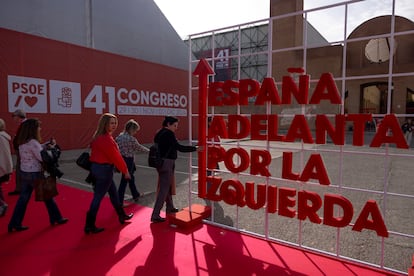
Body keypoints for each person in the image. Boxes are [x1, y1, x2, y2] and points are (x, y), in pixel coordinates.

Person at [8, 118, 68, 232]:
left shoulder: (22, 141)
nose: (40, 129)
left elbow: (37, 149)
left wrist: (45, 145)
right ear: (33, 129)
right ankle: (57, 218)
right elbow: (42, 157)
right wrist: (53, 149)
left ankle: (14, 223)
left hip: (24, 173)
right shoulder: (33, 143)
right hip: (35, 173)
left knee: (23, 200)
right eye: (38, 127)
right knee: (48, 197)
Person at [84, 113, 133, 234]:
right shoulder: (106, 139)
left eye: (115, 122)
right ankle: (89, 225)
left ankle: (122, 215)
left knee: (114, 194)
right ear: (105, 124)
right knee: (98, 197)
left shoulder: (98, 136)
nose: (114, 125)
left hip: (97, 169)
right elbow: (117, 157)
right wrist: (125, 171)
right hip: (104, 171)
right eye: (111, 123)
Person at [151, 116, 198, 223]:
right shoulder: (169, 134)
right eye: (175, 125)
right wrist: (195, 148)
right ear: (168, 124)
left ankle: (170, 207)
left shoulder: (159, 133)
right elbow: (180, 147)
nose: (176, 128)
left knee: (167, 186)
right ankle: (155, 214)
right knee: (164, 188)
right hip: (167, 163)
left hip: (160, 162)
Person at [116, 119, 149, 205]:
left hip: (121, 159)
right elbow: (139, 148)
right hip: (129, 160)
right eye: (135, 130)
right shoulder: (131, 139)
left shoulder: (119, 137)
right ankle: (119, 200)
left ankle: (135, 194)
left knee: (130, 178)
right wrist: (150, 151)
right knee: (125, 180)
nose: (135, 132)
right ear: (131, 129)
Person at [9, 109, 26, 195]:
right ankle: (20, 187)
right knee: (20, 168)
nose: (13, 118)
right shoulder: (22, 124)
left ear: (19, 116)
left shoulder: (25, 125)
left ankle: (20, 188)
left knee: (21, 168)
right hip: (20, 150)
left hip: (22, 150)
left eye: (14, 116)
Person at [0, 119, 13, 217]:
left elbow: (3, 156)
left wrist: (6, 169)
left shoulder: (1, 138)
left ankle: (2, 204)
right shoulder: (3, 137)